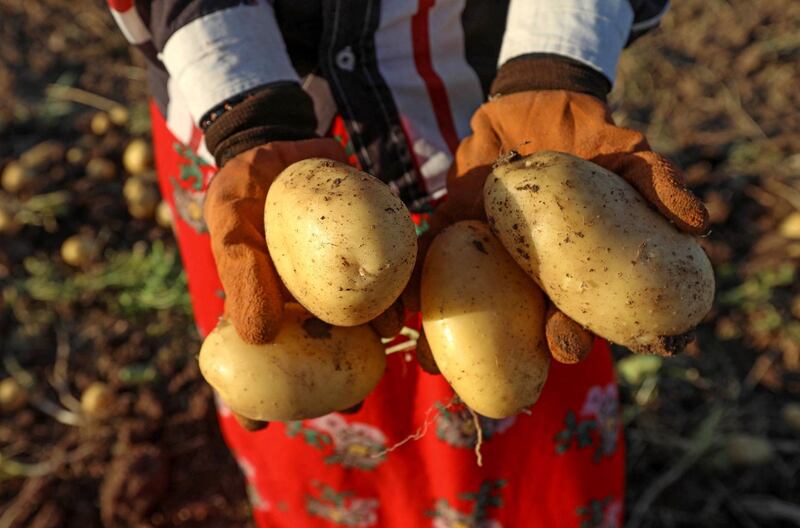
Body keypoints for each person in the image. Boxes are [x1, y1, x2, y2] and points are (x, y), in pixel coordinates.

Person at [108, 1, 708, 526]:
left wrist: (553, 66)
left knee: (532, 388)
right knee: (291, 369)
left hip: (493, 122)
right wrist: (249, 113)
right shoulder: (264, 152)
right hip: (251, 145)